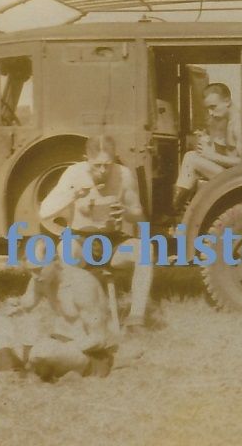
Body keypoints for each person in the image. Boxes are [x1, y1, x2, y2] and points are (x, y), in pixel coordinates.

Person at [37, 134, 154, 328]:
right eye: (97, 165)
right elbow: (44, 211)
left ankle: (136, 319)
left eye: (107, 165)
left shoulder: (124, 175)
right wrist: (73, 194)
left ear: (114, 158)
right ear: (86, 160)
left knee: (145, 249)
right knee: (65, 251)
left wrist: (125, 212)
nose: (102, 170)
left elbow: (139, 216)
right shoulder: (74, 174)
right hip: (81, 240)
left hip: (113, 243)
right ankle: (73, 318)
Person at [0, 260, 118, 381]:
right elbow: (25, 303)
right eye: (31, 271)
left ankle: (8, 366)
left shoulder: (82, 285)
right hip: (55, 345)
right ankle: (14, 371)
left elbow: (100, 339)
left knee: (44, 351)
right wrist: (14, 306)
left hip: (90, 354)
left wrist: (62, 348)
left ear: (55, 261)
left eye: (39, 270)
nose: (35, 276)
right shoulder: (41, 279)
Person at [172, 82, 242, 213]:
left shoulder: (239, 124)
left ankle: (176, 210)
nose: (210, 112)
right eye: (208, 108)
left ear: (227, 101)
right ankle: (180, 208)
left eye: (213, 107)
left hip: (238, 179)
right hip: (231, 175)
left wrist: (211, 156)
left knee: (190, 158)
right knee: (192, 157)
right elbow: (231, 153)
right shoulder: (229, 120)